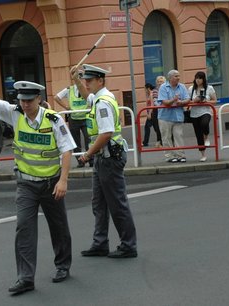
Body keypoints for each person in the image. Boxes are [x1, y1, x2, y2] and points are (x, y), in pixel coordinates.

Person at [0, 59, 76, 295]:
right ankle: (25, 278)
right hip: (26, 185)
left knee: (58, 226)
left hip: (52, 183)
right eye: (21, 100)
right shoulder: (15, 114)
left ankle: (63, 265)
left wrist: (63, 180)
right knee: (24, 228)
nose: (25, 104)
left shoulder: (53, 119)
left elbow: (67, 149)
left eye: (29, 100)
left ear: (39, 99)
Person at [69, 64, 138, 259]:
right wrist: (75, 79)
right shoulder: (98, 98)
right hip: (104, 157)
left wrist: (88, 154)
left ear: (100, 80)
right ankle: (100, 243)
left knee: (117, 203)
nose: (86, 83)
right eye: (85, 80)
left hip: (108, 157)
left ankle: (128, 245)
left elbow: (106, 133)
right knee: (99, 203)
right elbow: (86, 96)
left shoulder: (103, 102)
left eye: (89, 80)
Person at [55, 81, 92, 167]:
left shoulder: (87, 89)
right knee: (75, 141)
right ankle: (80, 161)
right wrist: (66, 107)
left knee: (89, 139)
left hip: (86, 117)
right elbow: (56, 97)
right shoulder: (69, 90)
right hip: (74, 119)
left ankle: (91, 160)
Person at [157, 70, 191, 163]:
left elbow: (187, 99)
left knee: (178, 136)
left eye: (179, 76)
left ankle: (181, 155)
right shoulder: (163, 87)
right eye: (176, 76)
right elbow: (164, 102)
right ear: (170, 78)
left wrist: (182, 102)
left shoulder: (182, 86)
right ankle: (170, 156)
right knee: (166, 137)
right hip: (165, 116)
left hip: (178, 116)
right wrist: (174, 99)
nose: (178, 78)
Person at [188, 71, 217, 162]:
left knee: (205, 124)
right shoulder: (191, 89)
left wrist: (205, 102)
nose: (198, 80)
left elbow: (214, 100)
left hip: (205, 111)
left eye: (200, 78)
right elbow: (188, 101)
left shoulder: (209, 88)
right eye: (196, 78)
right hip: (194, 113)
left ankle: (207, 136)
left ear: (203, 79)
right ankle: (203, 154)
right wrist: (195, 101)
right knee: (198, 134)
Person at [142, 83, 162, 147]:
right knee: (155, 128)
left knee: (152, 128)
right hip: (152, 113)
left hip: (153, 113)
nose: (144, 90)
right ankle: (160, 141)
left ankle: (146, 142)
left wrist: (149, 114)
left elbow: (152, 105)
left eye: (145, 89)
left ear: (148, 88)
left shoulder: (151, 93)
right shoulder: (151, 93)